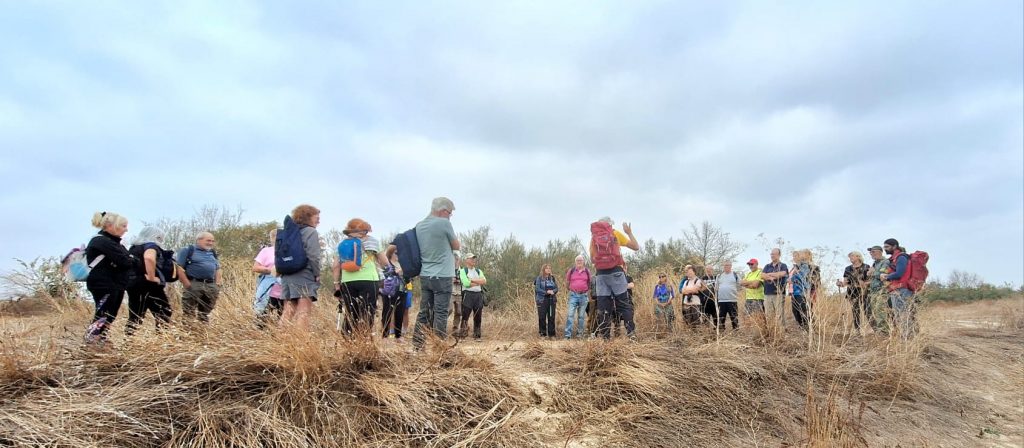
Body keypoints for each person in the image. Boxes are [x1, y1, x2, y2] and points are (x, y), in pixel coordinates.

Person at [387, 197, 460, 350]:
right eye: (450, 212)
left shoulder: (420, 225)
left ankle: (418, 346)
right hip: (443, 275)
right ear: (442, 210)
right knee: (440, 312)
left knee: (424, 312)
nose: (450, 216)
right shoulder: (444, 223)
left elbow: (394, 246)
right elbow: (456, 245)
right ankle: (438, 347)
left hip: (425, 275)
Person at [84, 212, 134, 343]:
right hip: (104, 284)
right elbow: (126, 261)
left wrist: (129, 260)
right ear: (111, 226)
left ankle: (101, 339)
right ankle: (91, 342)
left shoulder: (115, 243)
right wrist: (129, 259)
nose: (126, 229)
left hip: (116, 283)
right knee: (103, 314)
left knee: (110, 315)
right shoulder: (101, 241)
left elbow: (130, 260)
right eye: (123, 226)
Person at [333, 218, 388, 335]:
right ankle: (365, 340)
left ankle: (349, 340)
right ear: (364, 230)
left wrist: (336, 285)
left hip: (347, 282)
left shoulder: (342, 244)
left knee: (351, 312)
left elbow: (336, 266)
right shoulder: (373, 242)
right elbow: (384, 262)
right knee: (367, 312)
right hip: (369, 280)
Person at [590, 217, 640, 340]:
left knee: (603, 307)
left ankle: (606, 338)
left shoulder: (593, 238)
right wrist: (628, 232)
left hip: (601, 274)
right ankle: (631, 334)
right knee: (623, 304)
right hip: (616, 272)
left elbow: (592, 259)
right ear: (610, 224)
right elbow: (636, 247)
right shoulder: (615, 234)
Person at [279, 204, 322, 330]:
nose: (318, 220)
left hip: (287, 274)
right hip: (304, 274)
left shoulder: (288, 231)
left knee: (288, 309)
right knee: (304, 311)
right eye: (316, 217)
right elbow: (313, 255)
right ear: (308, 217)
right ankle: (300, 344)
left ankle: (280, 340)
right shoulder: (310, 232)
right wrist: (316, 273)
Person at [125, 226, 173, 335]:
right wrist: (152, 277)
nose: (161, 240)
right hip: (148, 284)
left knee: (136, 315)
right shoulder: (151, 246)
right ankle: (162, 338)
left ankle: (129, 341)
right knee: (164, 311)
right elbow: (149, 258)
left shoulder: (134, 248)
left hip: (133, 284)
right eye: (160, 238)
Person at [176, 231, 222, 326]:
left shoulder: (212, 253)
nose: (211, 243)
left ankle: (202, 333)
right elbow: (179, 268)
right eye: (208, 240)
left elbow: (218, 268)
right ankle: (187, 334)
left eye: (212, 241)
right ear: (198, 240)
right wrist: (187, 284)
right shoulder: (188, 250)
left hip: (210, 285)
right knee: (189, 311)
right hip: (194, 283)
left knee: (205, 313)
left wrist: (217, 284)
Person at [882, 238, 916, 339]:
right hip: (896, 289)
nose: (885, 249)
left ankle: (907, 338)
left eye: (887, 247)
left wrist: (886, 276)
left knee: (903, 314)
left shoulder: (901, 257)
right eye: (884, 247)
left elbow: (899, 273)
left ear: (894, 246)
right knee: (899, 314)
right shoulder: (895, 258)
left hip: (902, 289)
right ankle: (906, 337)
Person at [252, 229, 283, 327]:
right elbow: (256, 267)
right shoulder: (266, 251)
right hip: (269, 287)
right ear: (272, 238)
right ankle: (260, 336)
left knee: (282, 315)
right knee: (262, 314)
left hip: (285, 288)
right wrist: (271, 270)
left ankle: (278, 338)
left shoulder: (288, 251)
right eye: (276, 237)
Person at [839, 251, 871, 332]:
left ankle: (875, 329)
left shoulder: (866, 267)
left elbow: (871, 280)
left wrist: (864, 284)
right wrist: (840, 284)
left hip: (864, 292)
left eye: (852, 256)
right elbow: (845, 283)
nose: (850, 258)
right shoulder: (848, 268)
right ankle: (857, 331)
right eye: (850, 257)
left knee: (867, 311)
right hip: (852, 292)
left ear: (858, 257)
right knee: (855, 312)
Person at [458, 253, 487, 340]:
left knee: (478, 316)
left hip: (478, 295)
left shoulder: (478, 271)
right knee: (465, 315)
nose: (473, 260)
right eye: (471, 259)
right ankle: (462, 335)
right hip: (468, 294)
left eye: (474, 259)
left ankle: (477, 336)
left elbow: (484, 281)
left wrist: (472, 280)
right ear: (466, 260)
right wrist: (478, 282)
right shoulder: (463, 271)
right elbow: (466, 284)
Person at [789, 249, 820, 330]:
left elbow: (816, 282)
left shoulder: (814, 267)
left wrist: (810, 293)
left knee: (805, 310)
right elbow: (790, 277)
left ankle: (810, 327)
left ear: (809, 255)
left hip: (807, 291)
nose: (801, 255)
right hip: (795, 291)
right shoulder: (797, 266)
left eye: (803, 254)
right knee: (796, 310)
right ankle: (802, 327)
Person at [564, 255, 591, 339]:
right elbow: (567, 282)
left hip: (583, 296)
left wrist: (586, 291)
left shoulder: (587, 271)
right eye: (578, 260)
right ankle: (567, 335)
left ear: (583, 262)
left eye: (581, 260)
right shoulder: (571, 271)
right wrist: (572, 290)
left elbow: (589, 283)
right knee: (570, 315)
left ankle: (580, 335)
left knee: (581, 316)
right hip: (573, 295)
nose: (579, 262)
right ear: (575, 262)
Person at [761, 249, 789, 327]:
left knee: (779, 314)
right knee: (768, 314)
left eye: (774, 254)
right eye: (771, 254)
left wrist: (769, 274)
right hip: (767, 293)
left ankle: (781, 332)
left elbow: (782, 273)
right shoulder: (767, 266)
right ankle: (771, 331)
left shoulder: (783, 265)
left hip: (778, 293)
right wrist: (771, 277)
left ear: (779, 255)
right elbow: (762, 275)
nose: (772, 256)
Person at [866, 246, 891, 333]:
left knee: (880, 310)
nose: (871, 254)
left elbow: (883, 275)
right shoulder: (874, 264)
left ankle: (884, 332)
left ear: (880, 252)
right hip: (873, 291)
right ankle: (881, 331)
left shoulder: (885, 262)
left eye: (873, 252)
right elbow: (873, 276)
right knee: (875, 311)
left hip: (882, 290)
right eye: (870, 252)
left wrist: (872, 273)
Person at [534, 264, 559, 338]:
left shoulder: (552, 278)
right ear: (543, 269)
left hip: (551, 300)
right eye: (546, 268)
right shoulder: (539, 278)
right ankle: (543, 334)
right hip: (542, 300)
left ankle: (552, 335)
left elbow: (556, 288)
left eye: (549, 268)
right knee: (542, 317)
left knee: (551, 317)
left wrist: (553, 291)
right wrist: (546, 292)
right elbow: (537, 289)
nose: (548, 269)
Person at [715, 261, 741, 331]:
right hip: (721, 301)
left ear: (731, 266)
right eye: (725, 265)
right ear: (723, 266)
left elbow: (740, 286)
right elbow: (716, 287)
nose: (726, 267)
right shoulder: (719, 276)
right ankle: (721, 331)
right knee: (721, 318)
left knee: (734, 317)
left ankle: (736, 331)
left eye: (728, 265)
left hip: (732, 300)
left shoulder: (735, 275)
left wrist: (732, 291)